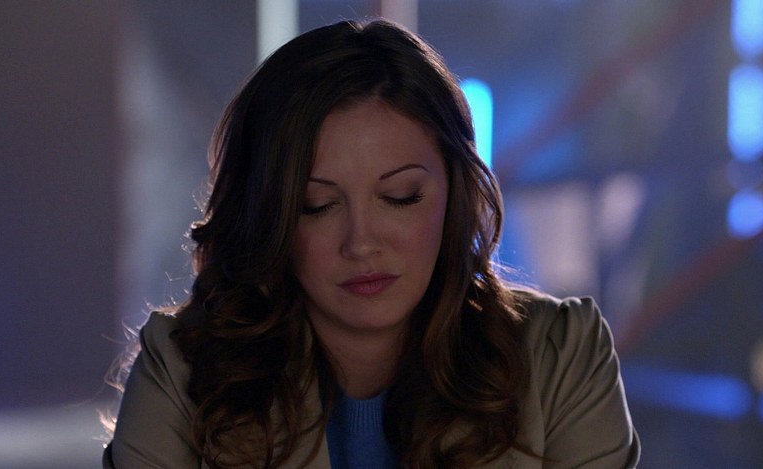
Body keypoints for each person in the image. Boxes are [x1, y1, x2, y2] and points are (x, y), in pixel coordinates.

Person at [103, 19, 640, 469]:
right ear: (268, 217)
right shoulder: (185, 371)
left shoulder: (559, 359)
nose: (362, 243)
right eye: (318, 205)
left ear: (454, 194)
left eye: (401, 197)